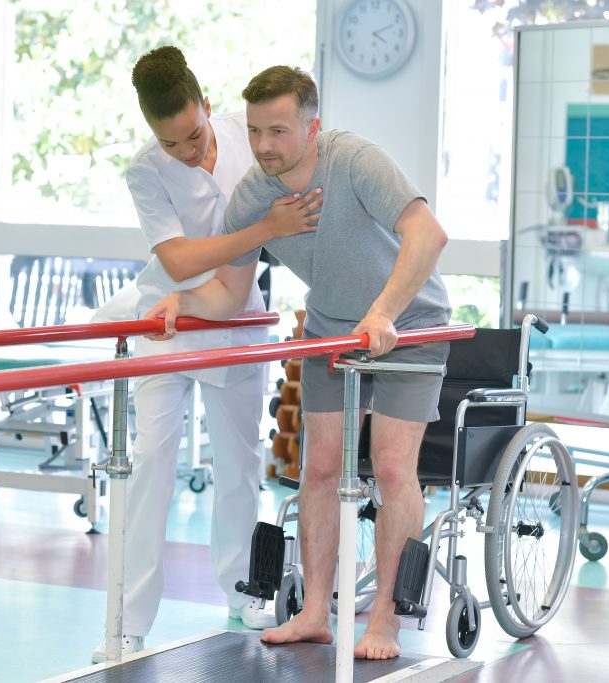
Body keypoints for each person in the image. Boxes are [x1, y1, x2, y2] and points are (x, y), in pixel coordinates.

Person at [144, 65, 452, 661]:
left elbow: (428, 235)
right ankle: (315, 611)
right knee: (319, 470)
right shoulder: (255, 195)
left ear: (312, 128)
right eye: (256, 130)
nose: (264, 146)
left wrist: (384, 313)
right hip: (332, 331)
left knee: (390, 467)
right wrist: (182, 300)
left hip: (411, 324)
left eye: (279, 131)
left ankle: (384, 619)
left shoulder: (355, 161)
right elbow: (230, 293)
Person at [90, 48, 324, 664]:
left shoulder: (248, 139)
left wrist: (250, 240)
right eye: (173, 145)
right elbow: (177, 262)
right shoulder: (145, 172)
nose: (189, 151)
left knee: (240, 464)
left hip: (236, 319)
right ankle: (127, 621)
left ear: (207, 109)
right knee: (149, 469)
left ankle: (245, 589)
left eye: (194, 135)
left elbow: (235, 251)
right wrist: (265, 230)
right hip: (167, 323)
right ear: (152, 135)